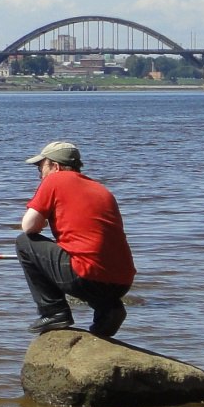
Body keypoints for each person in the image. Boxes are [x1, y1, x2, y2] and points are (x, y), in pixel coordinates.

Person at [16, 140, 134, 338]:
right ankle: (109, 309)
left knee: (25, 243)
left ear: (55, 166)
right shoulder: (101, 189)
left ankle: (53, 311)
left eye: (41, 166)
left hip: (86, 277)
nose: (39, 173)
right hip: (122, 282)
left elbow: (28, 226)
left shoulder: (55, 180)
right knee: (89, 257)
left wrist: (43, 221)